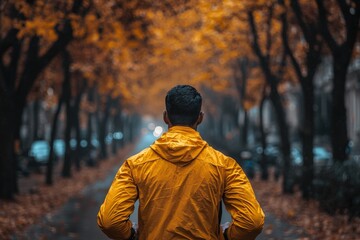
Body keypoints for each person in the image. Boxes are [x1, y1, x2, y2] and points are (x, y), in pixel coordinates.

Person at [97, 85, 265, 240]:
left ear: (165, 117)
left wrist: (131, 234)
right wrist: (227, 235)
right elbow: (252, 222)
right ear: (200, 118)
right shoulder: (225, 166)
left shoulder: (135, 164)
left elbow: (110, 221)